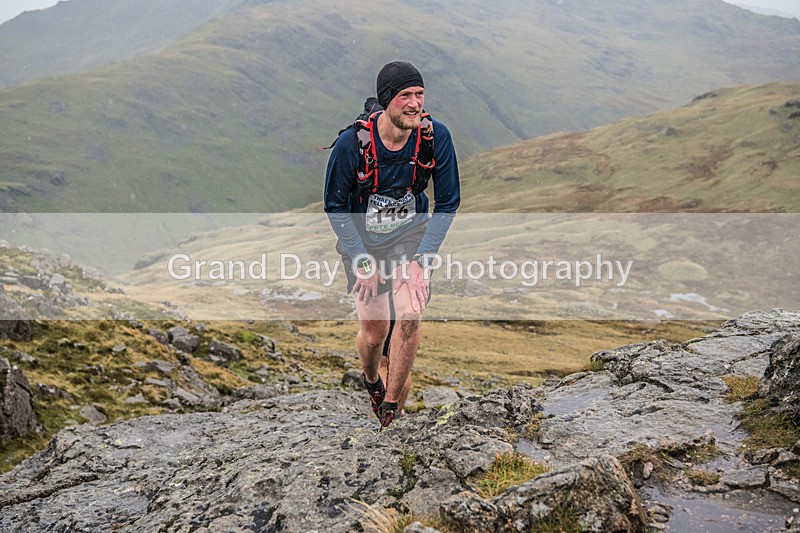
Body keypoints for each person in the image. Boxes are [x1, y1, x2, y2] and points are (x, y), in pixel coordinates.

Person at [324, 61, 460, 429]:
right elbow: (335, 207)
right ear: (387, 100)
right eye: (405, 96)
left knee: (410, 314)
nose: (415, 104)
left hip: (410, 235)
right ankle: (371, 379)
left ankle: (390, 409)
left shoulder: (435, 136)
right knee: (374, 333)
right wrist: (361, 260)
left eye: (420, 94)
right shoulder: (352, 144)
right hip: (363, 240)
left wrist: (422, 261)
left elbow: (448, 203)